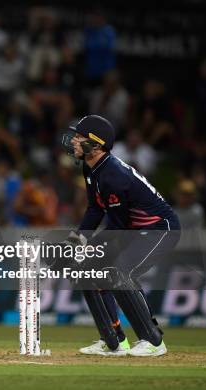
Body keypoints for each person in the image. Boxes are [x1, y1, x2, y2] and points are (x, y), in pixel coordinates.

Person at [60, 115, 181, 357]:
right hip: (133, 229)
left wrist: (88, 246)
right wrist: (76, 240)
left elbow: (119, 226)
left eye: (79, 137)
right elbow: (95, 208)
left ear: (96, 143)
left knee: (120, 271)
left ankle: (153, 341)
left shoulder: (113, 175)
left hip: (159, 229)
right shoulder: (91, 167)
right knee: (86, 270)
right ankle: (114, 341)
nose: (73, 141)